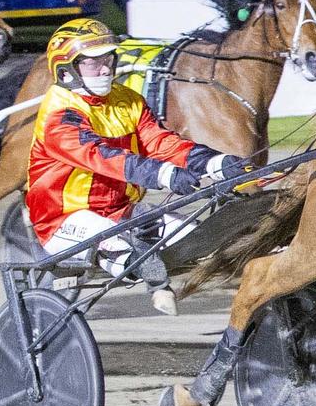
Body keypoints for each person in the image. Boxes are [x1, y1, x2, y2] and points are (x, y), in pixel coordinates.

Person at [27, 19, 251, 315]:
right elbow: (102, 156)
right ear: (67, 69)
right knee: (125, 244)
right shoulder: (59, 114)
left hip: (123, 210)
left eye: (108, 60)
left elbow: (160, 141)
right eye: (94, 64)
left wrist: (212, 162)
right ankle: (157, 285)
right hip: (63, 218)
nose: (106, 69)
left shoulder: (128, 101)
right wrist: (164, 175)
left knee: (199, 237)